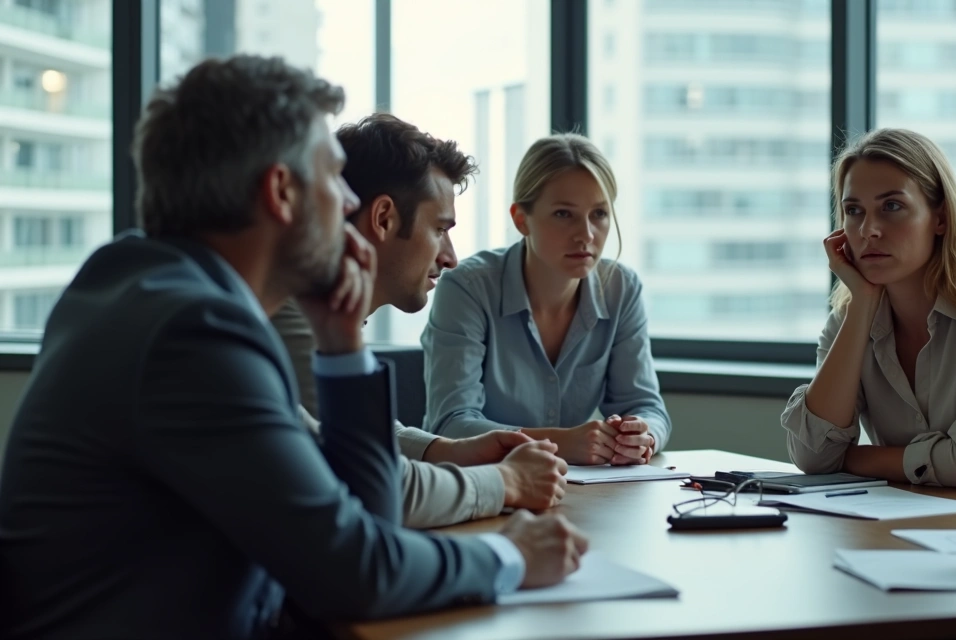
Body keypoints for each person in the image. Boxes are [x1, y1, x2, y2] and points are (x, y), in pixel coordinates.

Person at [0, 56, 586, 640]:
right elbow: (354, 571)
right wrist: (510, 556)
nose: (350, 204)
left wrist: (342, 346)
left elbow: (367, 509)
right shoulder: (192, 335)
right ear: (281, 192)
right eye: (333, 176)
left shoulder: (138, 285)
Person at [271, 114, 566, 528]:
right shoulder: (295, 313)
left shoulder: (321, 312)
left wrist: (445, 450)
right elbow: (366, 480)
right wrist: (507, 482)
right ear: (383, 218)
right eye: (440, 229)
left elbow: (354, 437)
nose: (451, 258)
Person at [781, 128, 956, 491]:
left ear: (941, 218)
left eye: (891, 207)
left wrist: (850, 459)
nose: (868, 230)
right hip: (898, 522)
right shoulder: (850, 319)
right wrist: (862, 304)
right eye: (854, 211)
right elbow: (812, 456)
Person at [421, 133, 671, 465]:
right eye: (564, 214)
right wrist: (559, 442)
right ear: (521, 219)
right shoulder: (468, 288)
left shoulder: (621, 289)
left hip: (573, 487)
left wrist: (642, 436)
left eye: (599, 213)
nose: (586, 234)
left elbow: (647, 407)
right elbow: (451, 425)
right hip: (478, 483)